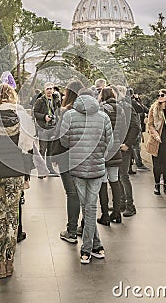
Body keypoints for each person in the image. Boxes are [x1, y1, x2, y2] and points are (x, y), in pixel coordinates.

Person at [0, 83, 34, 278]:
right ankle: (10, 261)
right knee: (13, 218)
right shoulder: (22, 119)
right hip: (15, 171)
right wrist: (27, 175)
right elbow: (28, 150)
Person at [60, 88, 113, 264]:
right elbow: (110, 142)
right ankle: (97, 246)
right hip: (97, 168)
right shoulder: (103, 117)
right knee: (90, 207)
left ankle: (87, 250)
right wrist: (100, 156)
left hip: (77, 167)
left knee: (87, 207)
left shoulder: (69, 116)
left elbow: (64, 141)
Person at [52, 79, 84, 244]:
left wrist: (55, 156)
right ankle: (85, 227)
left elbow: (59, 136)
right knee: (86, 194)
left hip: (67, 157)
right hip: (86, 157)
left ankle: (71, 231)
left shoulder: (65, 112)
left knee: (72, 193)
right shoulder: (91, 111)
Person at [97, 87, 126, 226]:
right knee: (115, 180)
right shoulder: (120, 109)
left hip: (103, 149)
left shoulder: (102, 109)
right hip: (116, 148)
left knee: (103, 182)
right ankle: (117, 212)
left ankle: (105, 214)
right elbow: (124, 128)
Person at [146, 89, 166, 195]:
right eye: (158, 95)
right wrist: (155, 135)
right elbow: (150, 124)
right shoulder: (154, 108)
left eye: (162, 95)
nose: (159, 97)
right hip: (156, 141)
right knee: (156, 164)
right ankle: (156, 185)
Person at [114, 86, 140, 217]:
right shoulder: (120, 106)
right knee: (119, 176)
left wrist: (128, 144)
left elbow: (135, 127)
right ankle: (122, 202)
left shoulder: (127, 107)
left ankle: (130, 205)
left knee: (123, 176)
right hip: (119, 146)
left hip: (124, 147)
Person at [33, 82, 61, 176]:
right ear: (44, 90)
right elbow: (35, 112)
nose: (49, 90)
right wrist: (44, 116)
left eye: (51, 88)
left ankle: (50, 169)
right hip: (43, 128)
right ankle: (41, 171)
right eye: (47, 89)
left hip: (53, 127)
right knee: (42, 149)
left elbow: (58, 111)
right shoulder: (40, 100)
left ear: (53, 90)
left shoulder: (56, 100)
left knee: (50, 150)